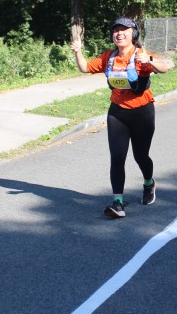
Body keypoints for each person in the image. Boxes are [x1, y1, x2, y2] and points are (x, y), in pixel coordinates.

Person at [72, 18, 170, 218]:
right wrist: (78, 51)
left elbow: (164, 68)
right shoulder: (109, 57)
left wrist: (149, 61)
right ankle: (117, 202)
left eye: (124, 30)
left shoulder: (140, 54)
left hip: (142, 113)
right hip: (117, 113)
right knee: (117, 158)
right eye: (116, 30)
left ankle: (149, 183)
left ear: (133, 34)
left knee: (140, 156)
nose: (119, 33)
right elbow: (85, 67)